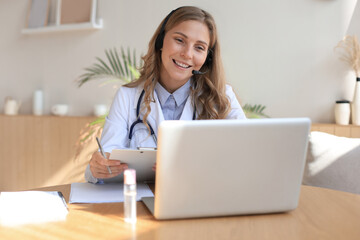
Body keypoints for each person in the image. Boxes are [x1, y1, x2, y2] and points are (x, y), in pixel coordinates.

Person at [85, 6, 246, 183]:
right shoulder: (127, 97)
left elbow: (247, 155)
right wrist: (98, 168)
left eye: (199, 47)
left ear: (207, 57)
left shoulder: (222, 97)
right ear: (161, 41)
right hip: (140, 202)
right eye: (179, 40)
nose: (187, 54)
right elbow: (106, 159)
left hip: (200, 200)